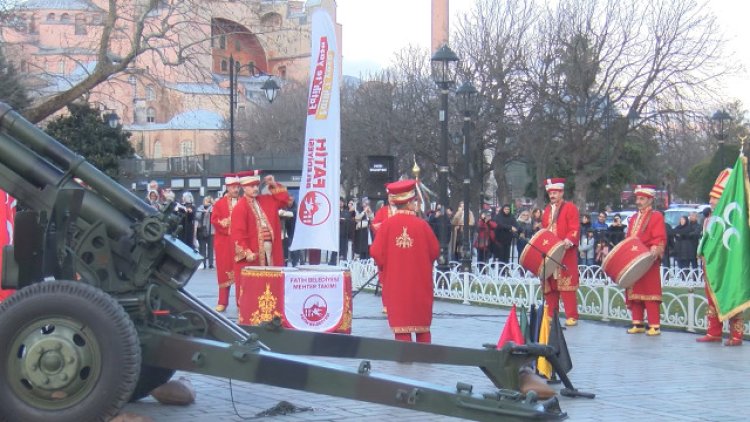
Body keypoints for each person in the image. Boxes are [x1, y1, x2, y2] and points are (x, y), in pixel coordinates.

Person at [370, 179, 440, 343]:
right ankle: (424, 353)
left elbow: (376, 252)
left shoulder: (386, 225)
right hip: (420, 281)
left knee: (401, 326)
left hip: (396, 281)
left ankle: (404, 356)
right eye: (414, 201)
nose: (416, 204)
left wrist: (386, 264)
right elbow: (435, 251)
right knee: (422, 325)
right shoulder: (422, 225)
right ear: (409, 203)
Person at [696, 169, 743, 346]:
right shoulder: (709, 219)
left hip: (728, 267)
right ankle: (714, 332)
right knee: (711, 299)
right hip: (710, 266)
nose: (710, 201)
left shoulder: (735, 220)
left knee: (731, 298)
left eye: (714, 198)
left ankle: (736, 336)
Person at [230, 170, 293, 278]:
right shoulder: (240, 207)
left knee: (273, 284)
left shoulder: (266, 200)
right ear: (244, 188)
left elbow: (285, 201)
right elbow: (238, 234)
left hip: (272, 250)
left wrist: (273, 184)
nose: (255, 189)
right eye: (252, 186)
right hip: (254, 253)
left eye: (256, 186)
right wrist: (246, 252)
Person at [624, 184, 667, 336]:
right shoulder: (634, 218)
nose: (638, 201)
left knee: (650, 292)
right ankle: (638, 323)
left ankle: (654, 325)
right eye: (637, 198)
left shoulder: (656, 216)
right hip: (633, 259)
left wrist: (655, 248)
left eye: (642, 199)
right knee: (634, 292)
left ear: (650, 200)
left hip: (648, 260)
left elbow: (659, 236)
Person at [541, 178, 581, 326]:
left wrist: (569, 240)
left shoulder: (570, 207)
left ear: (561, 192)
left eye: (555, 192)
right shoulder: (546, 210)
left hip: (565, 252)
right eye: (550, 192)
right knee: (550, 284)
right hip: (550, 252)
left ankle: (572, 316)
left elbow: (575, 228)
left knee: (566, 286)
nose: (552, 195)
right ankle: (552, 314)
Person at [210, 174, 241, 312]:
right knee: (224, 271)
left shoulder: (244, 202)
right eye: (233, 187)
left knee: (242, 273)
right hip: (225, 242)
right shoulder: (219, 204)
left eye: (237, 187)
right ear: (228, 187)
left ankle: (242, 302)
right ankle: (223, 301)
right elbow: (215, 221)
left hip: (240, 242)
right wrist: (227, 223)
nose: (236, 189)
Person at [195, 195, 214, 269]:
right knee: (202, 247)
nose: (206, 202)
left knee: (210, 248)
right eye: (205, 201)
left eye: (208, 201)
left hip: (210, 230)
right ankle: (203, 263)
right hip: (202, 230)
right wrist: (202, 212)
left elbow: (215, 216)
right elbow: (197, 216)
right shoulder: (200, 208)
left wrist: (209, 212)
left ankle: (211, 263)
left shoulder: (213, 208)